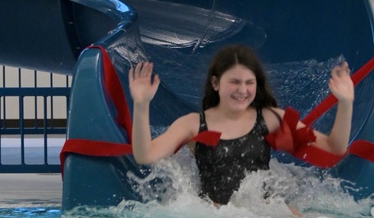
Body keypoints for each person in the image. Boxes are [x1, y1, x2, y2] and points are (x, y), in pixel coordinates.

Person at [128, 45, 354, 207]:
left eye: (249, 83)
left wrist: (345, 103)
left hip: (265, 214)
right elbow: (145, 155)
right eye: (234, 82)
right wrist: (141, 104)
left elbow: (334, 148)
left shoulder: (271, 118)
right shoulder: (193, 124)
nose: (242, 90)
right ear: (215, 83)